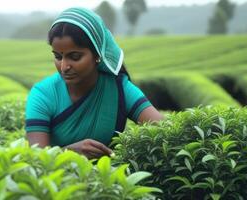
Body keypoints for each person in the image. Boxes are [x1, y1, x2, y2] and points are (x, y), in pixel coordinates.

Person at [25, 7, 163, 159]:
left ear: (97, 54)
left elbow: (164, 132)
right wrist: (69, 152)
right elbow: (36, 159)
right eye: (58, 57)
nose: (64, 67)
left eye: (75, 57)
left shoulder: (118, 88)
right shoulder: (42, 94)